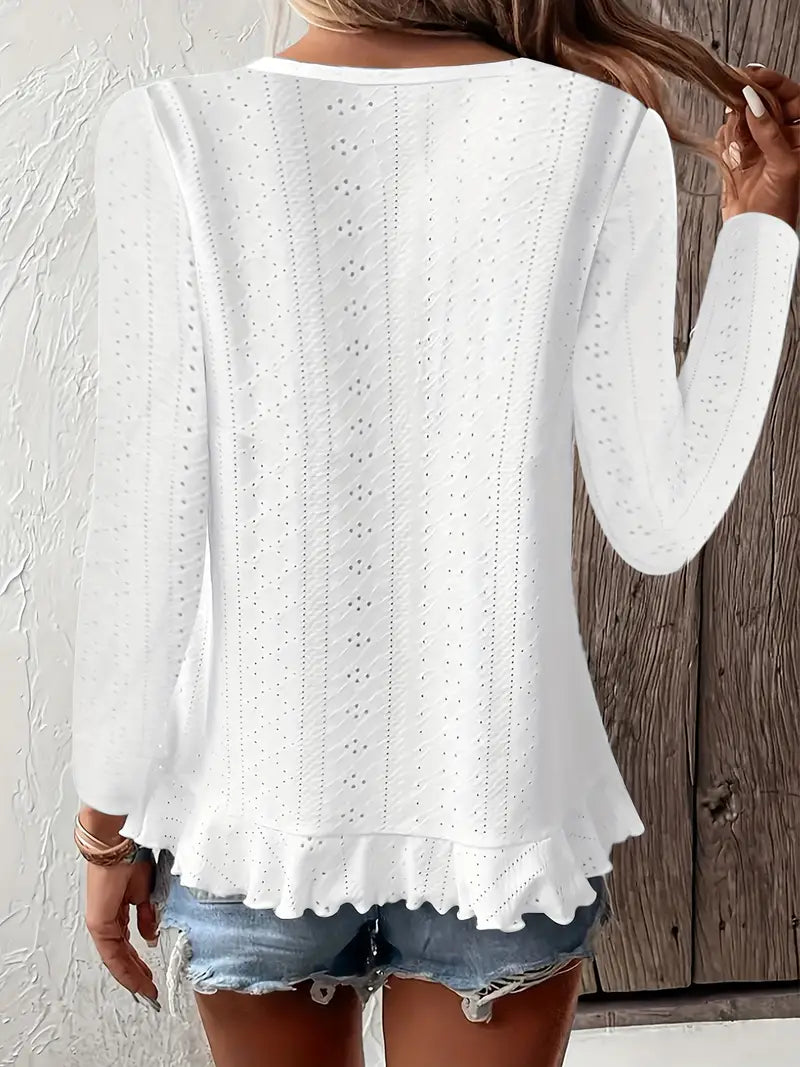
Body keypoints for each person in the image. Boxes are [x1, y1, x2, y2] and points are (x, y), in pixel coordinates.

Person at [70, 0, 800, 1062]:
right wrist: (763, 228)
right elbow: (658, 518)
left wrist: (107, 822)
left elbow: (146, 534)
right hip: (499, 811)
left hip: (255, 813)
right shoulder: (599, 133)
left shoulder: (173, 131)